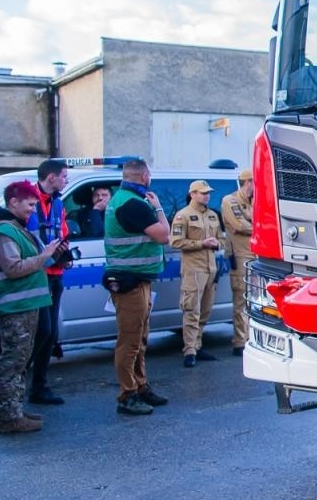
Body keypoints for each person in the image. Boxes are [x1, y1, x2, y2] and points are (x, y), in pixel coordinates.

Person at [0, 181, 60, 435]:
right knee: (13, 361)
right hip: (14, 307)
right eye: (30, 205)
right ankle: (8, 417)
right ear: (13, 202)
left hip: (23, 304)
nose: (34, 210)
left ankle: (14, 411)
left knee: (19, 360)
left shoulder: (14, 229)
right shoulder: (4, 232)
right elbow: (13, 268)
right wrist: (44, 256)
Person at [103, 158, 171, 416]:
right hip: (129, 282)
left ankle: (141, 386)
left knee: (140, 339)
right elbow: (164, 235)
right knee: (130, 341)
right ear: (144, 176)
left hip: (137, 279)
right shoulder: (132, 203)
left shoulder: (123, 199)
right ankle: (127, 394)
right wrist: (159, 208)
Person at [25, 159, 70, 403]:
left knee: (50, 333)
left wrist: (64, 253)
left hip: (55, 274)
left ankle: (39, 386)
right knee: (42, 331)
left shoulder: (58, 203)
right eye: (64, 176)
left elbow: (62, 232)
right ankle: (19, 380)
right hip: (35, 275)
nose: (66, 180)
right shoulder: (28, 201)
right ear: (51, 177)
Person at [171, 180, 223, 368]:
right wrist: (201, 244)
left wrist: (217, 244)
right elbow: (175, 242)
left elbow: (222, 240)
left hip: (211, 268)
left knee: (205, 310)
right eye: (202, 193)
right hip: (193, 269)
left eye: (208, 193)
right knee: (192, 310)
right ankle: (189, 350)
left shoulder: (213, 215)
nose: (207, 196)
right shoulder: (183, 215)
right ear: (192, 194)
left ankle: (198, 345)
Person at [221, 169, 255, 356]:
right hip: (240, 256)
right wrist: (260, 226)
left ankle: (254, 339)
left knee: (256, 301)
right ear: (248, 182)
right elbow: (239, 225)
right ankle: (241, 341)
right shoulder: (230, 200)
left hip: (257, 256)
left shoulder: (254, 200)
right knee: (241, 300)